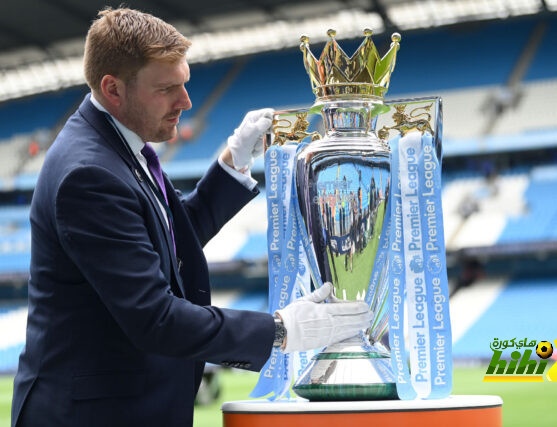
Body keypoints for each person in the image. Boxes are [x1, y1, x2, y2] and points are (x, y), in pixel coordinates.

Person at [11, 8, 372, 427]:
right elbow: (156, 318)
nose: (185, 101)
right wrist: (280, 329)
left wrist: (231, 163)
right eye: (167, 89)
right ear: (113, 89)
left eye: (184, 83)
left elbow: (169, 242)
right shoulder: (89, 175)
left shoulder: (118, 145)